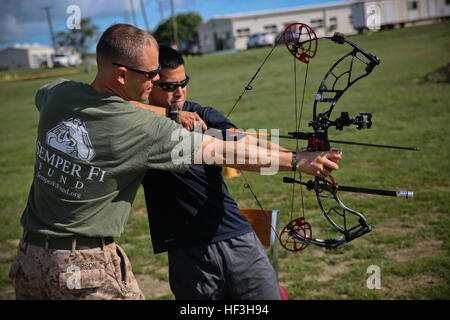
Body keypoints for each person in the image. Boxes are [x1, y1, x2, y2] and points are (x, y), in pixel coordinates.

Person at [8, 23, 341, 300]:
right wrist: (297, 161)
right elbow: (226, 152)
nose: (158, 80)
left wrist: (166, 111)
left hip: (28, 258)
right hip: (86, 267)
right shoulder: (143, 129)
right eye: (153, 75)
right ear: (122, 75)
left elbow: (240, 140)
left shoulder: (60, 94)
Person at [140, 46, 340, 300]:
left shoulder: (201, 114)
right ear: (150, 83)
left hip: (235, 235)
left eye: (184, 83)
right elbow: (110, 105)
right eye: (169, 86)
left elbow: (245, 144)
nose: (179, 91)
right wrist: (295, 161)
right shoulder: (138, 125)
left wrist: (300, 156)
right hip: (187, 252)